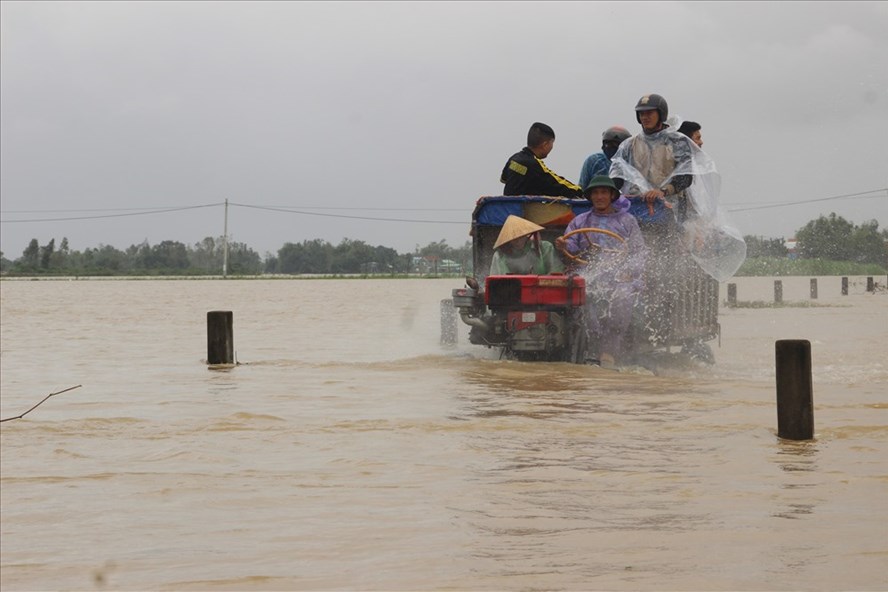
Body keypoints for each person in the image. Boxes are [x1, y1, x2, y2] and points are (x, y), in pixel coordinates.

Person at [554, 176, 646, 368]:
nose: (599, 196)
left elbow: (638, 252)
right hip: (588, 274)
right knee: (583, 297)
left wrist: (629, 271)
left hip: (620, 277)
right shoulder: (580, 221)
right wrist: (563, 245)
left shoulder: (627, 221)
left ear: (612, 195)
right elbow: (571, 246)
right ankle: (585, 348)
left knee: (621, 298)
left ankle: (609, 352)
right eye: (595, 193)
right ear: (590, 196)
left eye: (604, 192)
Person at [500, 122, 583, 198]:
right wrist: (579, 192)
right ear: (545, 144)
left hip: (506, 209)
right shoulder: (534, 164)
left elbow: (503, 179)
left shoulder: (514, 159)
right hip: (522, 211)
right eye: (552, 143)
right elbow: (556, 183)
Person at [489, 215, 564, 275]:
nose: (517, 241)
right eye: (513, 239)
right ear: (508, 240)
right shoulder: (500, 255)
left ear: (526, 235)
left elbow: (556, 272)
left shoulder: (545, 247)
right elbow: (497, 282)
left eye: (520, 237)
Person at [578, 125, 631, 190]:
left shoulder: (632, 162)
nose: (611, 148)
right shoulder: (594, 161)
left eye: (616, 145)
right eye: (607, 144)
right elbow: (582, 188)